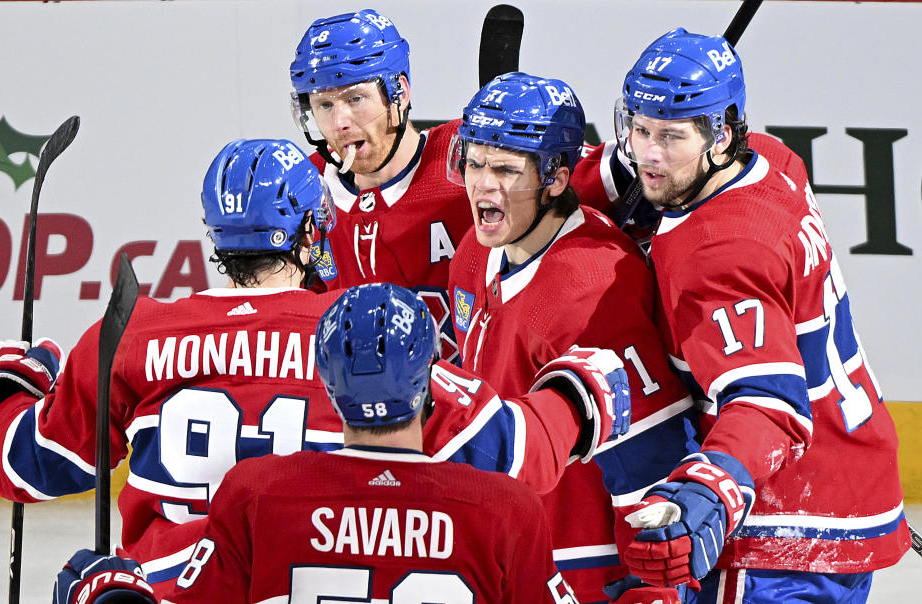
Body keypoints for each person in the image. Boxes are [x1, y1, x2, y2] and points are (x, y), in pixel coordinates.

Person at [0, 139, 631, 600]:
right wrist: (579, 389)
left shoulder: (137, 332)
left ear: (215, 237)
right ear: (313, 230)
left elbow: (29, 464)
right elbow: (519, 452)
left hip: (162, 593)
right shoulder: (358, 337)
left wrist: (6, 386)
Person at [50, 284, 636, 604]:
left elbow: (192, 597)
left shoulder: (258, 493)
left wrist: (116, 597)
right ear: (433, 384)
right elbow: (523, 444)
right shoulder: (504, 510)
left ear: (327, 390)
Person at [595, 28, 910, 603]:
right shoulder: (772, 158)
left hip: (783, 520)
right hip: (852, 470)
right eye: (639, 129)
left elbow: (768, 402)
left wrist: (708, 490)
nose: (648, 153)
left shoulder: (717, 256)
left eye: (670, 136)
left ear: (720, 136)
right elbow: (642, 174)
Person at [445, 71, 699, 603]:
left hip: (579, 569)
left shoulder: (597, 285)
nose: (482, 185)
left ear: (557, 179)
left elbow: (649, 460)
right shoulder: (473, 250)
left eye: (506, 170)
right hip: (493, 552)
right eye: (474, 163)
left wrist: (651, 590)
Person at [289, 8, 474, 361]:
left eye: (355, 99)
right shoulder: (303, 187)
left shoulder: (469, 159)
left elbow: (599, 175)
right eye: (324, 104)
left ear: (399, 92)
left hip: (471, 404)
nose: (339, 122)